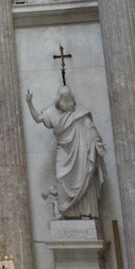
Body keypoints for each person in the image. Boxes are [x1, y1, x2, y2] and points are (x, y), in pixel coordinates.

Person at [25, 84, 105, 219]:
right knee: (61, 177)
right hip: (63, 150)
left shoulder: (79, 113)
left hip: (80, 151)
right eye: (64, 97)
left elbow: (90, 128)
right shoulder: (52, 112)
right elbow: (38, 118)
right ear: (59, 99)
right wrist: (29, 102)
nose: (67, 99)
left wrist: (97, 143)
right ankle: (63, 211)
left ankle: (84, 212)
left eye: (69, 96)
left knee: (83, 178)